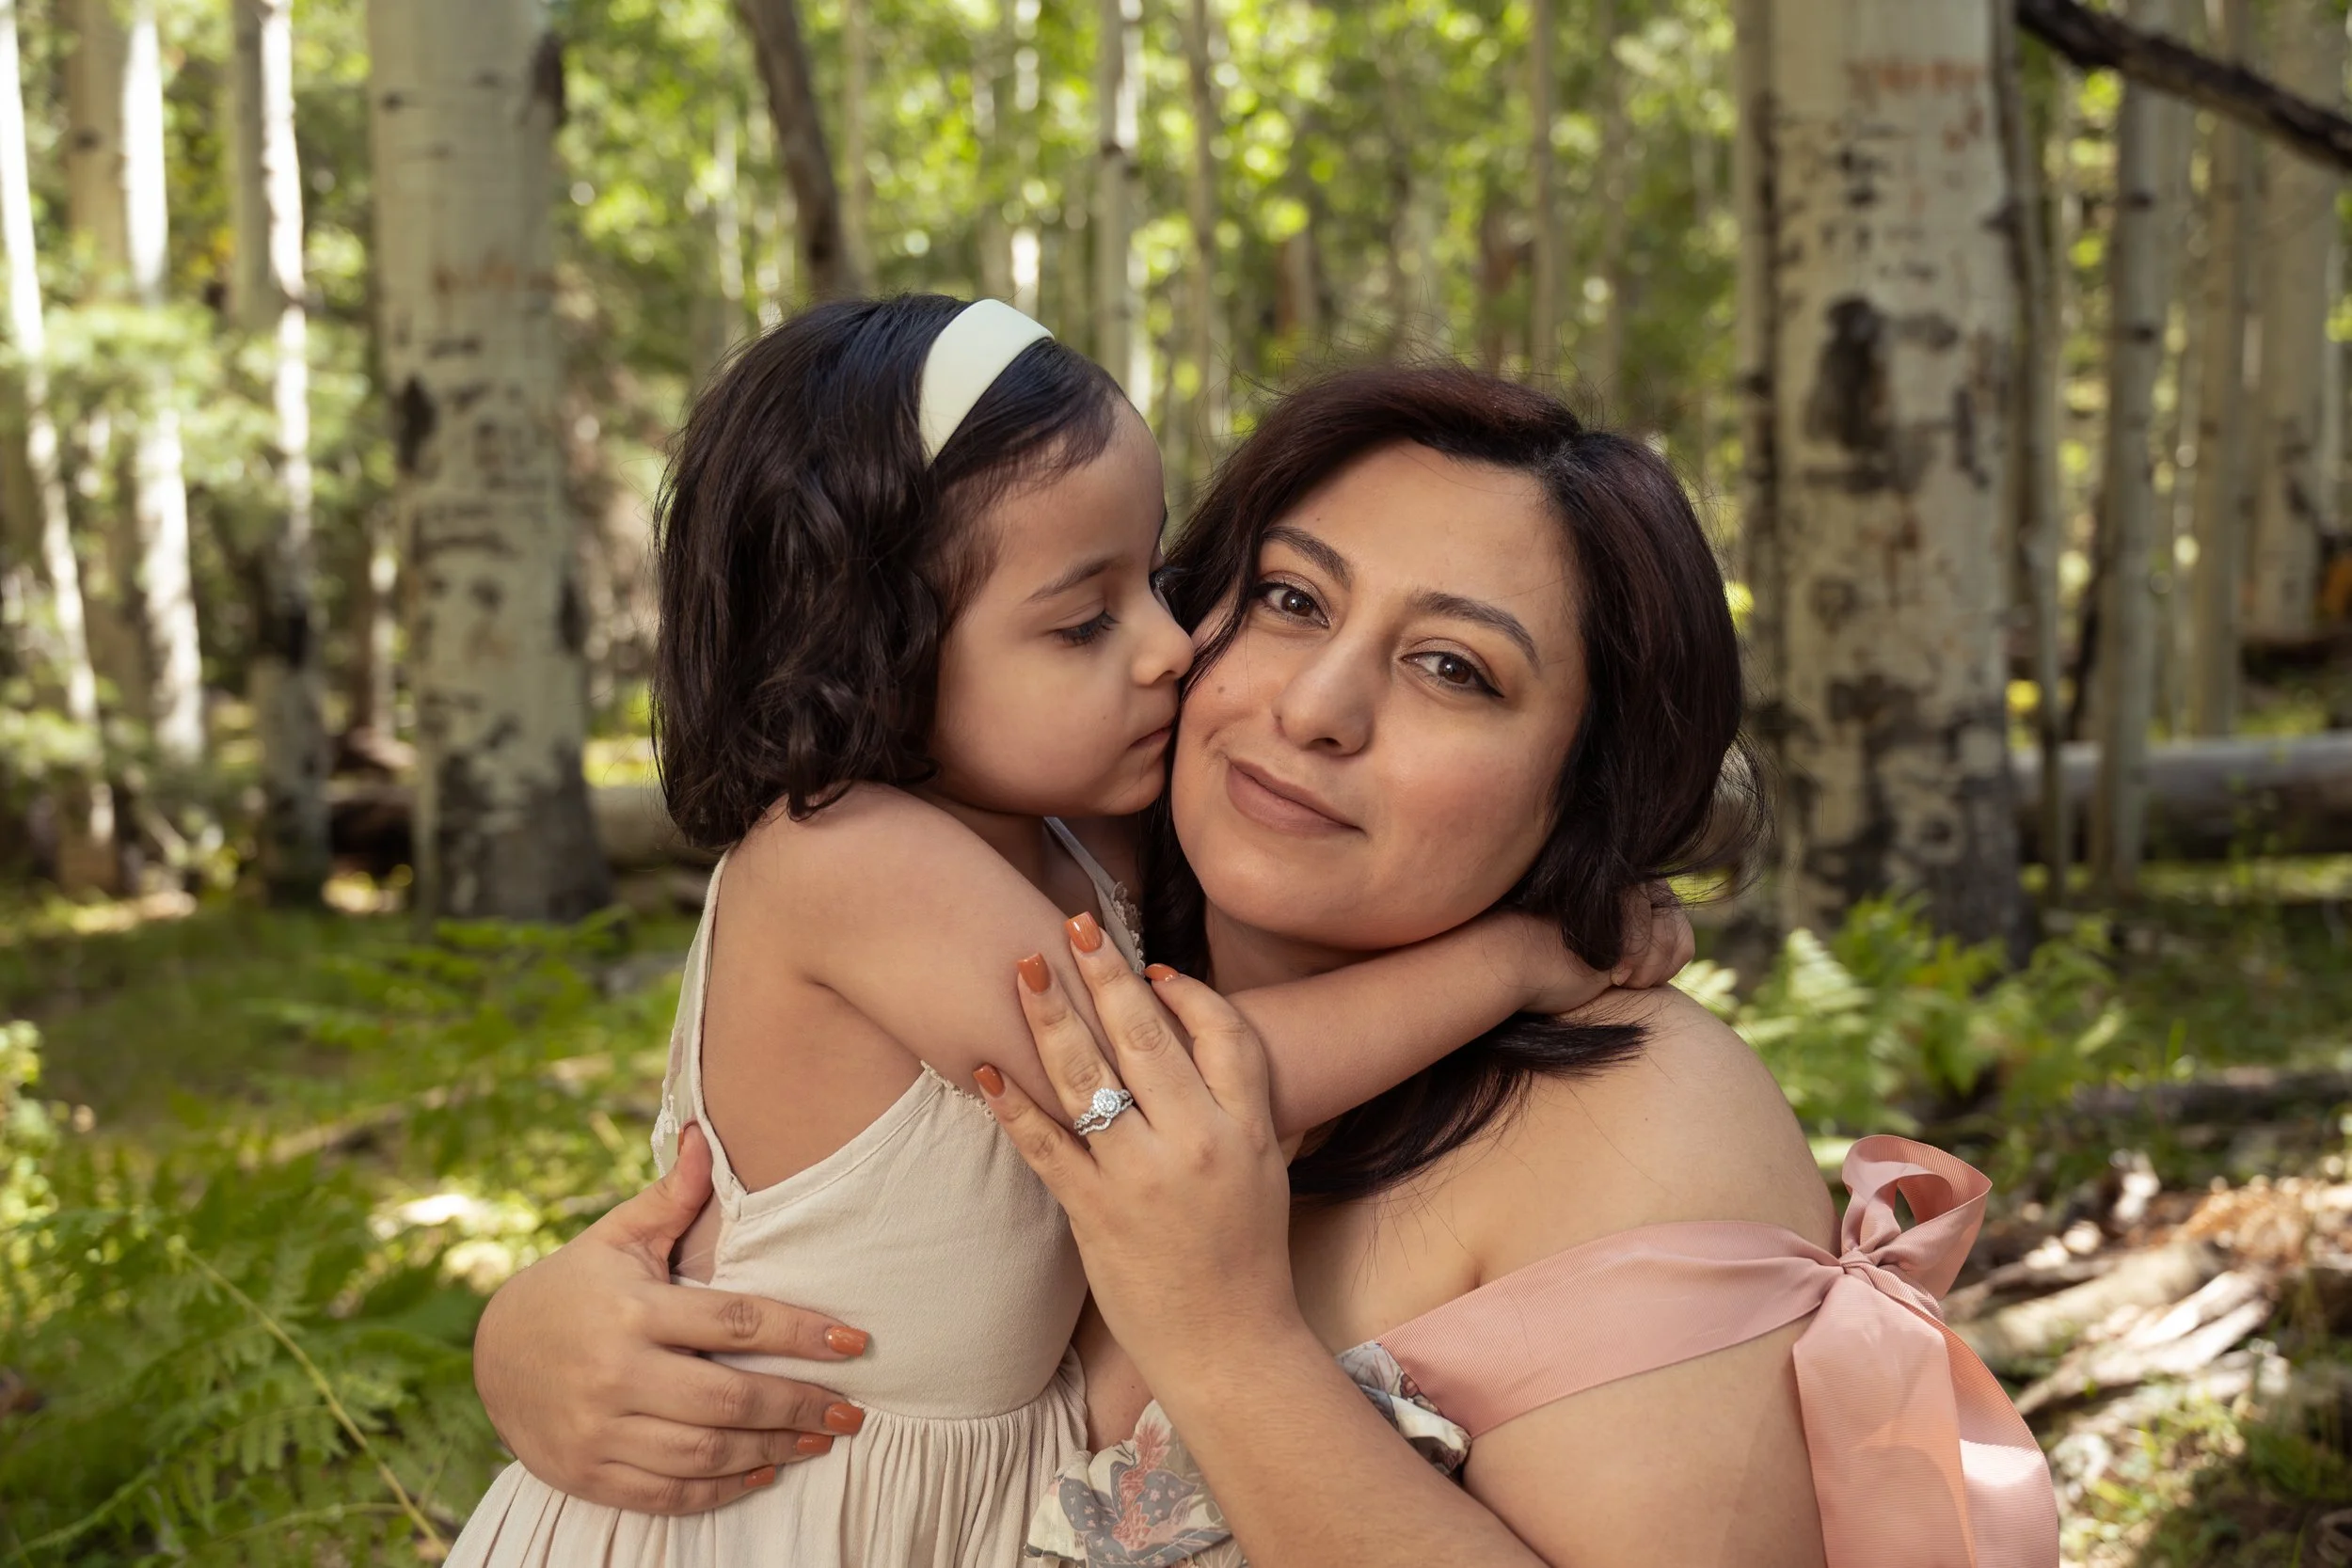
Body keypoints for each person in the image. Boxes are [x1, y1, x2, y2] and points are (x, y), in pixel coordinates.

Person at [447, 308, 1678, 1567]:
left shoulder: (1078, 842)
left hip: (939, 1484)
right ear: (875, 653)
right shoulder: (847, 854)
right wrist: (1522, 953)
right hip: (769, 1497)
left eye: (1157, 579)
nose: (1170, 644)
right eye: (1085, 621)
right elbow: (1186, 1087)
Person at [979, 367, 2060, 1567]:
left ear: (1587, 786)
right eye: (1290, 597)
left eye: (1453, 667)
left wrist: (1227, 1344)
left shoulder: (1644, 1124)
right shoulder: (1008, 955)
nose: (1317, 707)